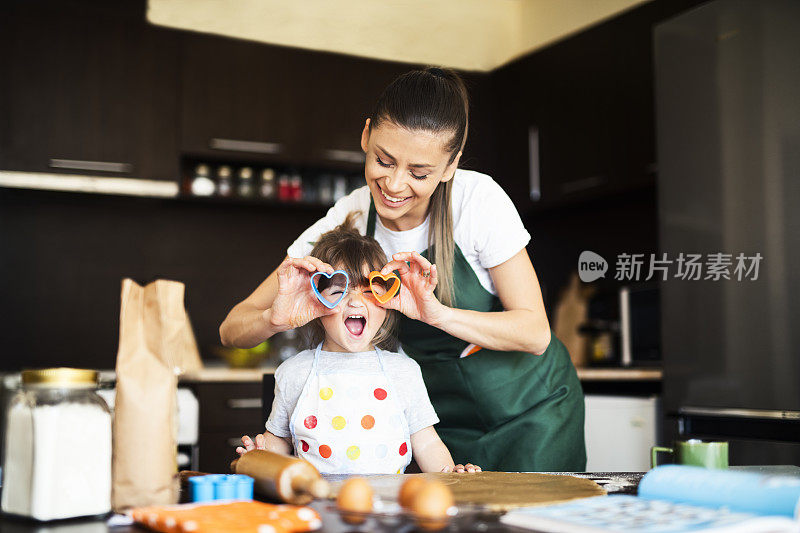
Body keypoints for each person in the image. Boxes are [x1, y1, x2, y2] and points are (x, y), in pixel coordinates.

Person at [221, 67, 586, 472]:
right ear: (365, 137)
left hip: (531, 412)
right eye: (383, 160)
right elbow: (232, 328)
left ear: (450, 166)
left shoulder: (477, 203)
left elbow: (534, 333)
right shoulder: (349, 221)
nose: (394, 184)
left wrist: (438, 315)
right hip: (437, 423)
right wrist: (274, 320)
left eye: (419, 173)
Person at [236, 217, 480, 474]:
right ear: (317, 302)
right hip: (316, 505)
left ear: (386, 303)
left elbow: (427, 442)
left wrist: (453, 476)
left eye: (368, 290)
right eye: (338, 291)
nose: (355, 301)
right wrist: (259, 455)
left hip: (390, 508)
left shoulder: (404, 371)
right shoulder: (293, 372)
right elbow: (278, 441)